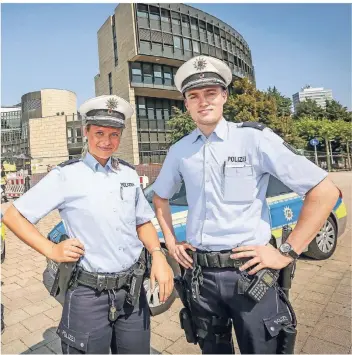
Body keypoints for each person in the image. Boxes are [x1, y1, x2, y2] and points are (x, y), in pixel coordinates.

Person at [152, 55, 340, 354]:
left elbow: (325, 191)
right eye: (193, 96)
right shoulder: (180, 151)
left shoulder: (254, 139)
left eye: (211, 93)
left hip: (250, 274)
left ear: (224, 96)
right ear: (186, 104)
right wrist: (172, 243)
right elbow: (160, 196)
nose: (203, 102)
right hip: (201, 277)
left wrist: (287, 252)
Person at [3, 95, 174, 354]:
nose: (106, 141)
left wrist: (158, 256)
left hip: (132, 291)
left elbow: (143, 222)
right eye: (99, 132)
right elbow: (12, 216)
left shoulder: (128, 174)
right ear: (86, 132)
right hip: (88, 294)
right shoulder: (66, 176)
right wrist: (51, 250)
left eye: (114, 134)